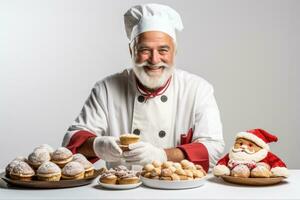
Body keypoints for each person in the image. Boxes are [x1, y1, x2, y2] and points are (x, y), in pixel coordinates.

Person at [62, 3, 224, 172]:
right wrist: (98, 145)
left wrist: (162, 156)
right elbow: (71, 141)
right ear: (131, 51)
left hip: (177, 192)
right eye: (144, 49)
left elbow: (212, 149)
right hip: (121, 192)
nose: (154, 60)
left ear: (175, 51)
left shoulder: (198, 89)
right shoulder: (105, 89)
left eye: (163, 50)